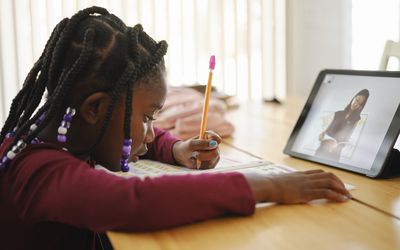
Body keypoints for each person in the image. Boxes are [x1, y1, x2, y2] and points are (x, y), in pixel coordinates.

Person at [0, 7, 351, 250]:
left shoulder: (63, 134)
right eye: (147, 118)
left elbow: (128, 137)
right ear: (96, 108)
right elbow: (130, 203)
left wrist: (175, 149)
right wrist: (266, 185)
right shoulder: (35, 170)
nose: (152, 132)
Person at [316, 89, 370, 161]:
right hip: (323, 147)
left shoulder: (356, 119)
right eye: (357, 100)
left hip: (335, 152)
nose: (356, 104)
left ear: (361, 106)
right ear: (353, 98)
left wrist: (340, 146)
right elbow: (325, 131)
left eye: (360, 104)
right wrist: (321, 136)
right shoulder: (337, 113)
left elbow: (349, 135)